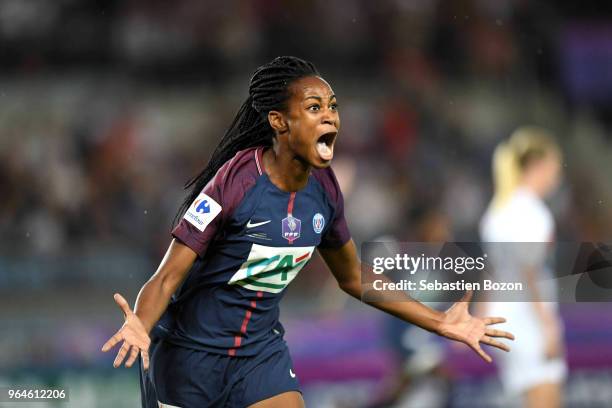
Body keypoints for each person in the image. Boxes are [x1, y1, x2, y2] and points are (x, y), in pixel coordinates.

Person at [101, 56, 513, 408]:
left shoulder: (326, 188)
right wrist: (141, 322)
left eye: (332, 106)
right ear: (280, 121)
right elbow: (168, 275)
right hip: (190, 355)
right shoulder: (235, 183)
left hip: (259, 354)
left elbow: (353, 277)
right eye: (314, 107)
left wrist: (440, 322)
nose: (330, 115)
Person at [480, 126, 567, 408]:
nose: (557, 174)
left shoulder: (498, 208)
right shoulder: (532, 213)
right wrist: (548, 326)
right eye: (554, 165)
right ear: (537, 165)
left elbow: (491, 270)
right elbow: (531, 271)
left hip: (502, 318)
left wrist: (480, 315)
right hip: (528, 321)